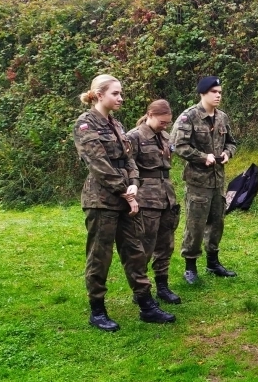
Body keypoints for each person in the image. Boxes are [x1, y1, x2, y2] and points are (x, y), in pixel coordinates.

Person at [73, 74, 176, 331]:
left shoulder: (117, 125)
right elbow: (98, 164)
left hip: (126, 197)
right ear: (99, 95)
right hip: (102, 200)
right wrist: (124, 190)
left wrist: (134, 183)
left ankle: (146, 305)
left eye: (121, 93)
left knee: (135, 252)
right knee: (100, 256)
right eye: (115, 93)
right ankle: (98, 310)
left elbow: (130, 159)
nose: (121, 98)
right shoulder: (86, 124)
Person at [171, 76, 238, 284]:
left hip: (218, 180)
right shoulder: (189, 116)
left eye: (220, 92)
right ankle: (190, 267)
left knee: (217, 222)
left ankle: (213, 262)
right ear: (203, 93)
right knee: (196, 224)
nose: (218, 95)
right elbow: (177, 145)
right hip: (198, 181)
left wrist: (227, 153)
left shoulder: (222, 117)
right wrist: (202, 157)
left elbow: (232, 142)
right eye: (213, 92)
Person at [127, 100, 181, 305]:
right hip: (146, 199)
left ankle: (162, 286)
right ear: (150, 114)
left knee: (166, 245)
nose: (165, 126)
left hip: (166, 196)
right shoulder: (134, 137)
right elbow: (128, 168)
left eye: (168, 122)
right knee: (145, 246)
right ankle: (140, 290)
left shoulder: (165, 136)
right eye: (162, 122)